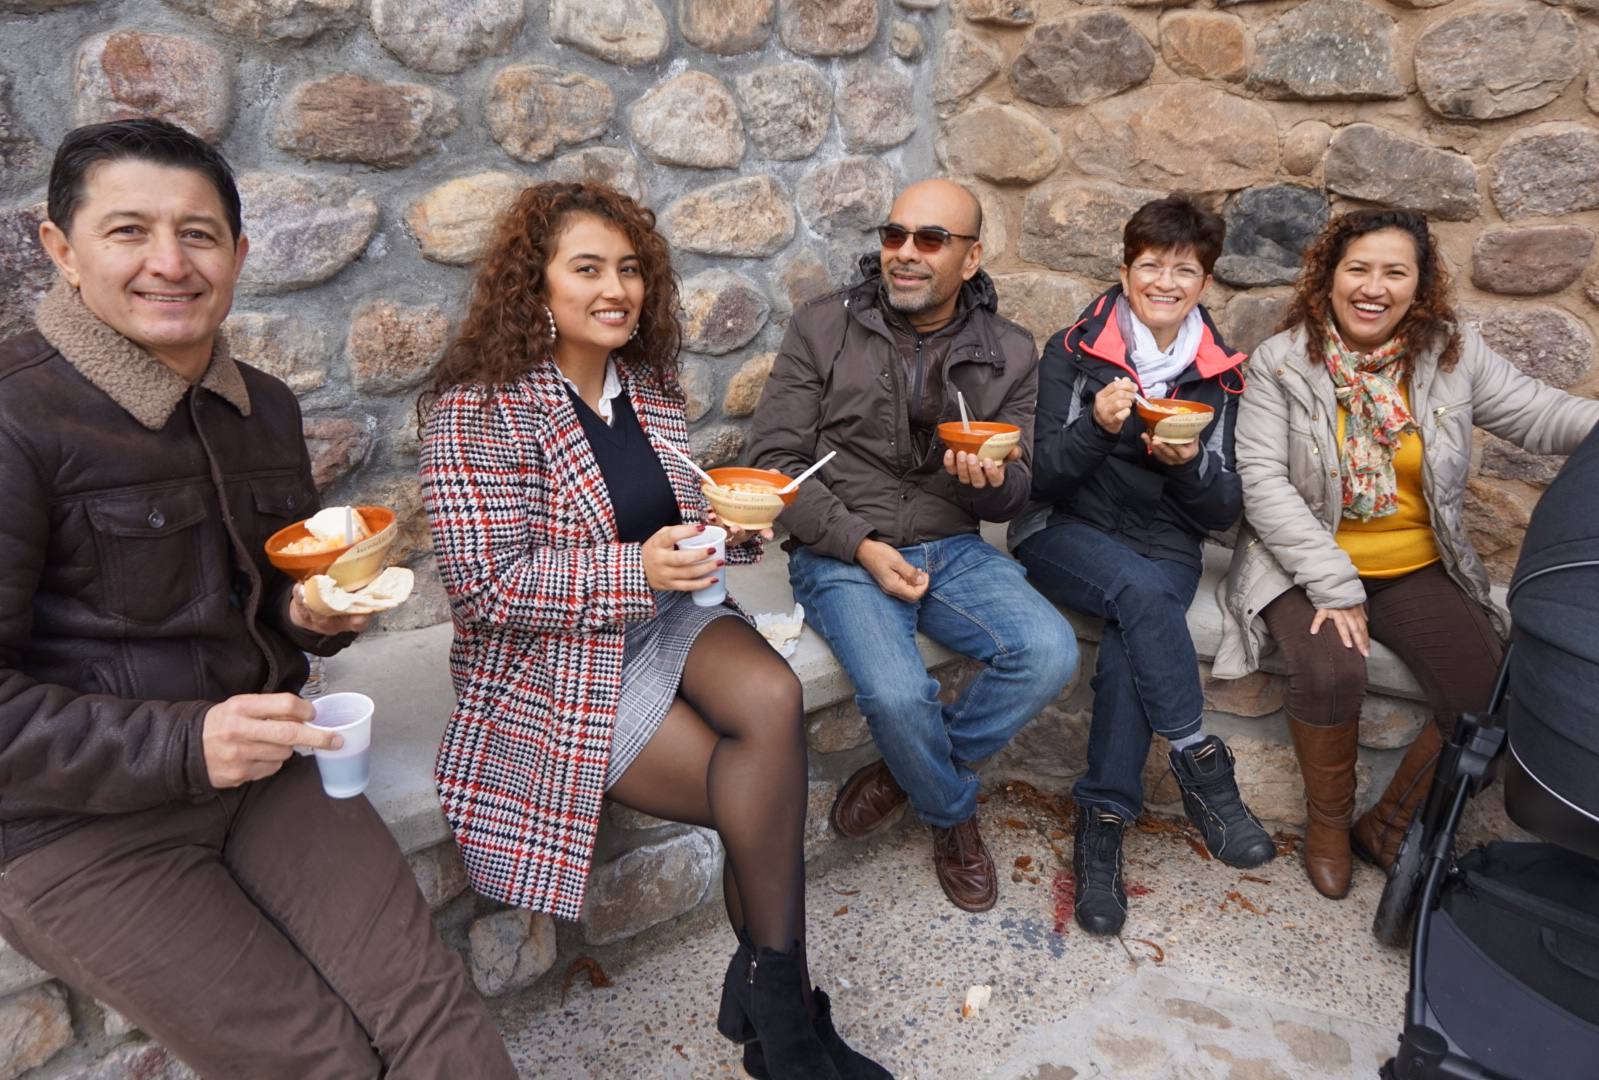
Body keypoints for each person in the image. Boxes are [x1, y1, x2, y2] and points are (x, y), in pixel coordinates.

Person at [0, 118, 515, 1078]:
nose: (169, 263)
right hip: (78, 828)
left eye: (198, 234)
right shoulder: (15, 417)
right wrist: (185, 743)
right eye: (127, 232)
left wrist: (307, 617)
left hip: (268, 770)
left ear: (237, 255)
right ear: (61, 252)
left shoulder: (263, 406)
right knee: (318, 1060)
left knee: (435, 1014)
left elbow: (257, 601)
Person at [418, 181, 889, 1080]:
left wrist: (727, 525)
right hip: (554, 662)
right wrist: (632, 568)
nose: (616, 289)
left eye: (630, 269)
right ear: (536, 285)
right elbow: (482, 589)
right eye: (586, 268)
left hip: (668, 613)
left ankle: (771, 1001)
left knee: (773, 697)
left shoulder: (650, 386)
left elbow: (667, 517)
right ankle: (781, 1013)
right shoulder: (478, 411)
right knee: (756, 791)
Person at [1215, 207, 1599, 899]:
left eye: (1395, 272)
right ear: (1328, 279)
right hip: (1303, 561)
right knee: (1332, 667)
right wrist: (1335, 586)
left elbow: (1543, 415)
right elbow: (1264, 486)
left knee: (1484, 693)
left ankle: (1390, 823)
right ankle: (1330, 825)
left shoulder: (1448, 354)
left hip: (1413, 565)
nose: (1375, 286)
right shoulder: (1281, 363)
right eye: (1358, 268)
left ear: (1419, 285)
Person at [749, 178, 1079, 914]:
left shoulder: (1009, 351)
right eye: (894, 235)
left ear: (970, 258)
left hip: (951, 544)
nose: (904, 253)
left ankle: (909, 774)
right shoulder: (823, 327)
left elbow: (1016, 490)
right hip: (842, 548)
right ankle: (953, 814)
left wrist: (986, 483)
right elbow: (773, 461)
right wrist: (858, 544)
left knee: (1049, 651)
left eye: (930, 240)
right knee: (899, 695)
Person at [1010, 195, 1275, 936]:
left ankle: (1101, 828)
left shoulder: (1219, 375)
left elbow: (1221, 508)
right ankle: (1198, 760)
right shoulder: (1073, 350)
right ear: (1125, 272)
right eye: (1150, 264)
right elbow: (1044, 479)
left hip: (1165, 540)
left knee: (1137, 633)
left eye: (1183, 269)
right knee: (1136, 591)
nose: (1166, 280)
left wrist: (1186, 464)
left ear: (1204, 281)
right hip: (1065, 529)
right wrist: (1098, 428)